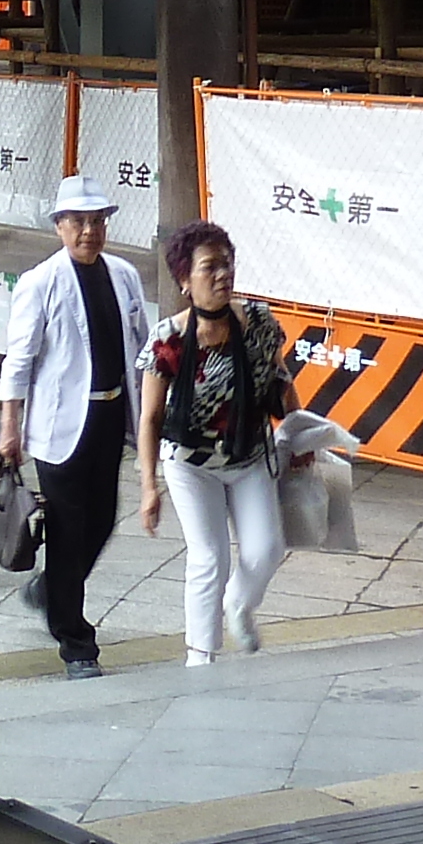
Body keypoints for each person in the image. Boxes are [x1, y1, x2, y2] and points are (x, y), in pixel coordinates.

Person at [0, 176, 157, 675]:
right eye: (78, 222)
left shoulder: (124, 274)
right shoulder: (42, 282)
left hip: (110, 415)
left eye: (97, 221)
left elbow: (142, 345)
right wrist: (10, 427)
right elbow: (18, 362)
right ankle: (76, 642)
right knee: (67, 531)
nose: (89, 231)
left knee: (103, 518)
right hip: (59, 422)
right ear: (60, 227)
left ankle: (50, 590)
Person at [139, 220, 298, 663]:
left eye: (227, 265)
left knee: (267, 549)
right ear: (185, 281)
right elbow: (150, 417)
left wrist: (299, 434)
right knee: (209, 557)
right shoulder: (167, 339)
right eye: (209, 267)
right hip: (190, 463)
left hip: (248, 454)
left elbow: (281, 381)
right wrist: (149, 487)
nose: (222, 275)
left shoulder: (260, 322)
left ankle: (239, 606)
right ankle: (200, 655)